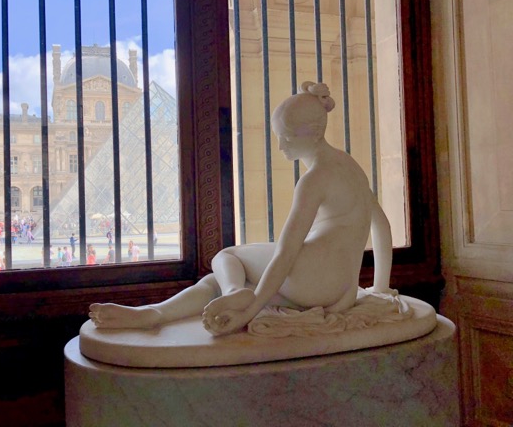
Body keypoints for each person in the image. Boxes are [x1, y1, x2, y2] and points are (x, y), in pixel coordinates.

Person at [89, 82, 393, 336]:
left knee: (227, 257)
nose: (281, 147)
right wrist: (380, 286)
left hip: (310, 275)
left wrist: (249, 311)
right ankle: (154, 314)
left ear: (313, 134)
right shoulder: (351, 167)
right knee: (217, 281)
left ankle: (235, 292)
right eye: (278, 137)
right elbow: (381, 226)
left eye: (286, 138)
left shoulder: (314, 179)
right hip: (339, 290)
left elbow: (286, 253)